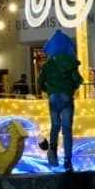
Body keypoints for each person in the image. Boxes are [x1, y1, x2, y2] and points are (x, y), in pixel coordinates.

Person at [37, 30, 83, 171]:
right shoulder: (70, 62)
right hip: (66, 97)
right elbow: (77, 79)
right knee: (67, 129)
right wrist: (73, 86)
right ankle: (67, 161)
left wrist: (47, 89)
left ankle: (52, 149)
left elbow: (40, 82)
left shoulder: (48, 65)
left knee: (55, 125)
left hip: (53, 98)